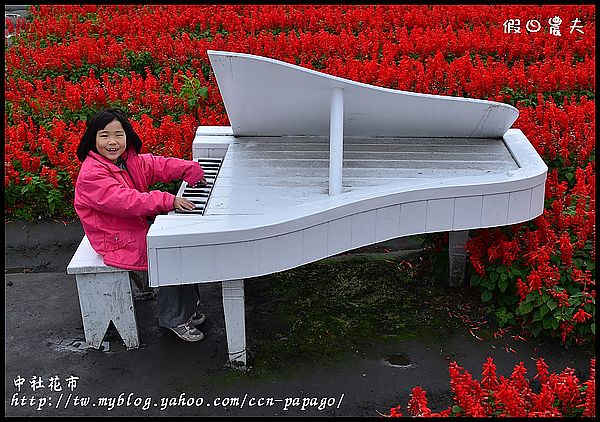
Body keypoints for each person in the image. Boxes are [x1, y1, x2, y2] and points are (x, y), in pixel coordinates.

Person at [74, 107, 207, 342]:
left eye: (119, 134)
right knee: (167, 251)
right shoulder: (92, 175)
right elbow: (127, 201)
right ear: (93, 139)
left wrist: (188, 169)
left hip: (129, 228)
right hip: (114, 239)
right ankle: (175, 318)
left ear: (128, 136)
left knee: (182, 240)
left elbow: (157, 165)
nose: (112, 142)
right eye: (104, 135)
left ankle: (188, 306)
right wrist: (168, 200)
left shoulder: (128, 161)